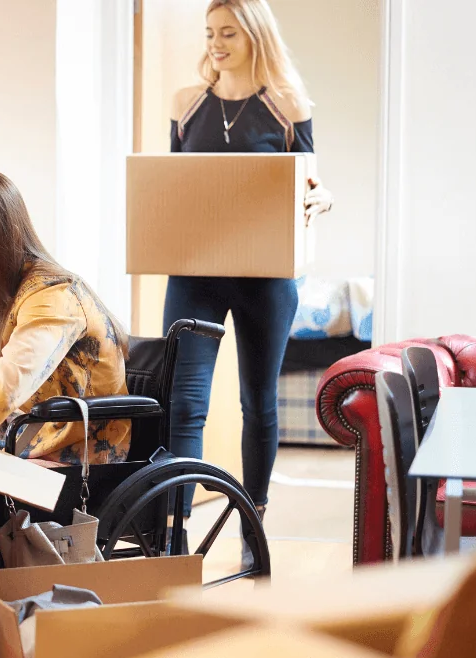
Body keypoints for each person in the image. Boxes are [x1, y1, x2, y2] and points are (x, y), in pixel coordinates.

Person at [165, 0, 334, 553]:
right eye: (210, 33)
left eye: (228, 33)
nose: (215, 43)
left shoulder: (287, 105)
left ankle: (252, 520)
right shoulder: (187, 104)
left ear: (254, 35)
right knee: (185, 401)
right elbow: (175, 187)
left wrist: (323, 197)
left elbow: (311, 183)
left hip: (265, 278)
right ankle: (177, 527)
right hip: (196, 273)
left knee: (257, 400)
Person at [0, 169, 131, 466]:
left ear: (3, 232)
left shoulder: (52, 295)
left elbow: (5, 389)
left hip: (80, 464)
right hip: (25, 450)